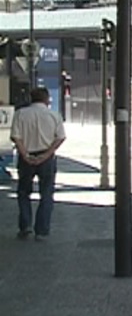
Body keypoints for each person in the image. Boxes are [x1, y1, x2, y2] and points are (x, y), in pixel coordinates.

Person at [10, 87, 66, 241]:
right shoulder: (54, 116)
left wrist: (25, 155)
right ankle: (41, 231)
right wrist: (46, 155)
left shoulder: (20, 114)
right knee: (46, 193)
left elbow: (16, 137)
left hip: (26, 156)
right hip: (46, 157)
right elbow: (60, 137)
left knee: (23, 192)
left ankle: (25, 225)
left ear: (31, 98)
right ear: (47, 99)